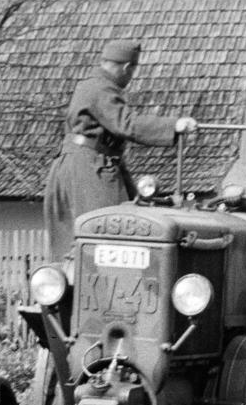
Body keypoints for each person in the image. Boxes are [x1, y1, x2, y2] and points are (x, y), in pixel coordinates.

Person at [43, 38, 198, 262]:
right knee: (109, 234)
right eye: (133, 70)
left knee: (95, 236)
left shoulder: (88, 85)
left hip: (78, 163)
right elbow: (127, 123)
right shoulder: (101, 89)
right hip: (89, 169)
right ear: (127, 68)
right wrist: (174, 125)